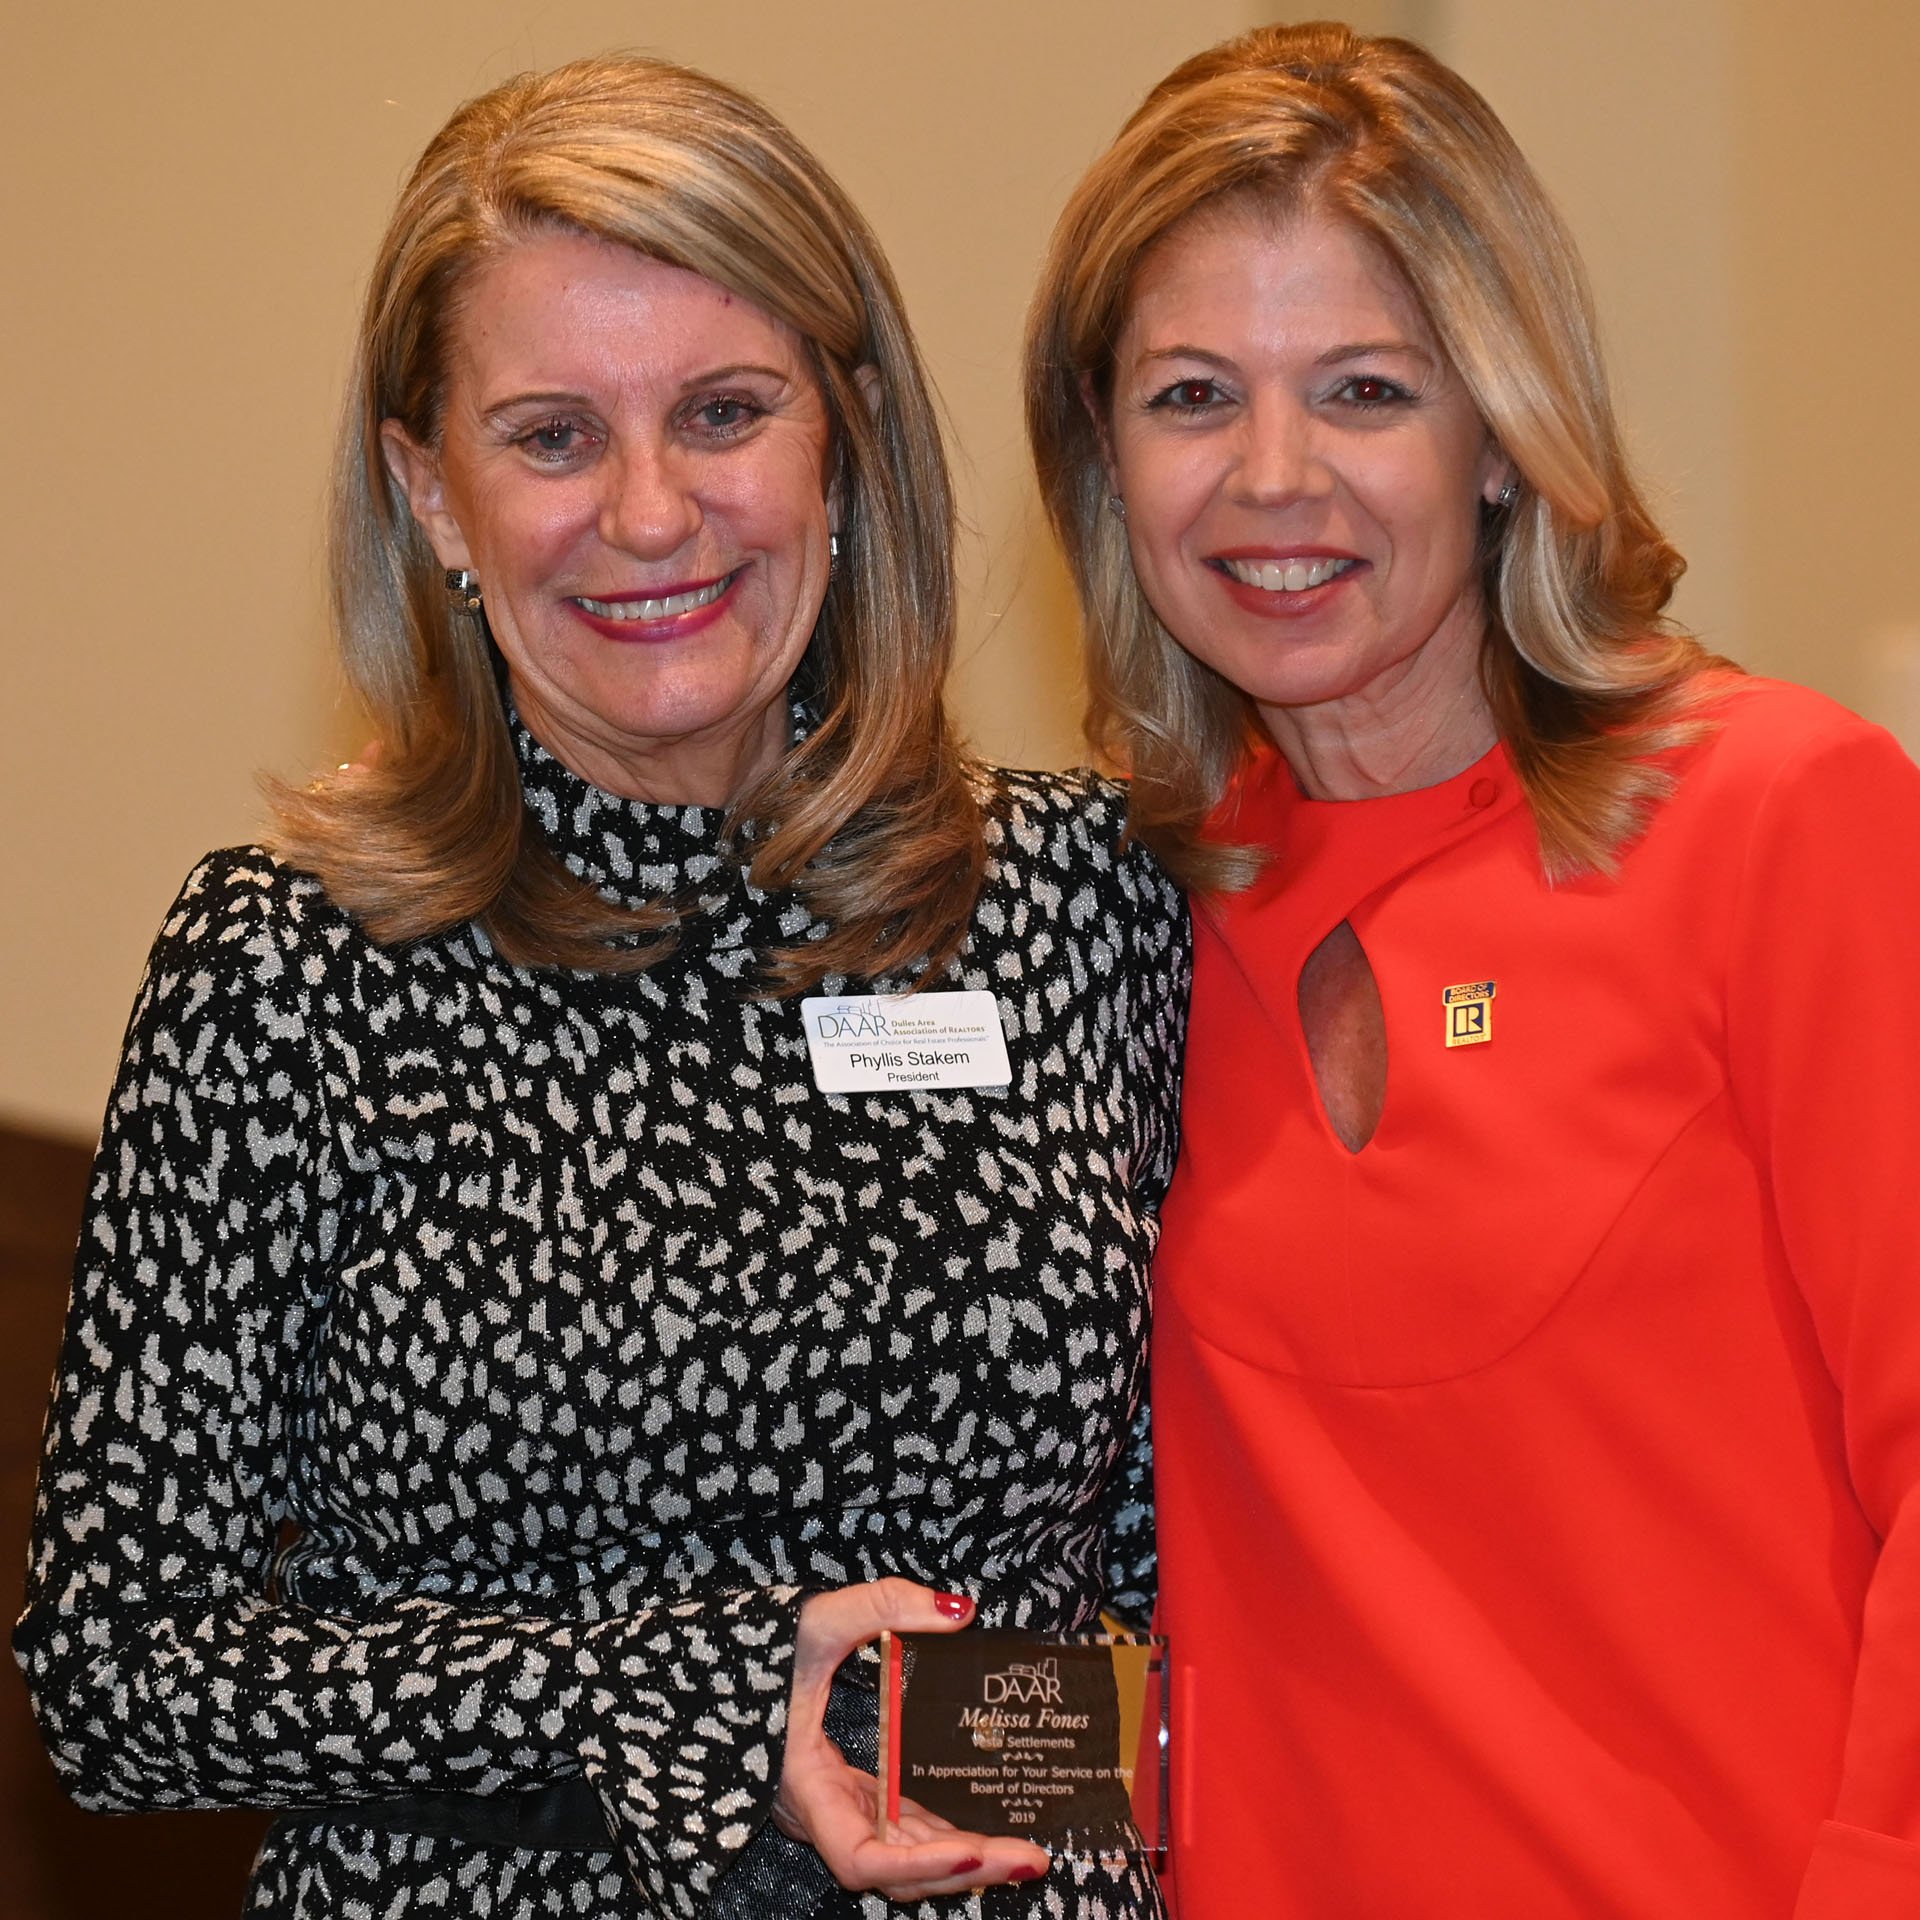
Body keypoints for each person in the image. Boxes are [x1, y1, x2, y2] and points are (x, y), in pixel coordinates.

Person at [15, 55, 1187, 1920]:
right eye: (553, 437)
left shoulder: (1079, 901)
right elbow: (118, 1679)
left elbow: (1169, 1591)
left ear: (842, 439)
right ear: (431, 493)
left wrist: (948, 1759)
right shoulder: (287, 968)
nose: (652, 514)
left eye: (724, 413)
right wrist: (692, 1690)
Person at [1025, 20, 1920, 1919]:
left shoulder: (1780, 816)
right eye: (1192, 397)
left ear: (1503, 436)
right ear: (1104, 455)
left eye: (1366, 390)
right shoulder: (1117, 914)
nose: (1274, 477)